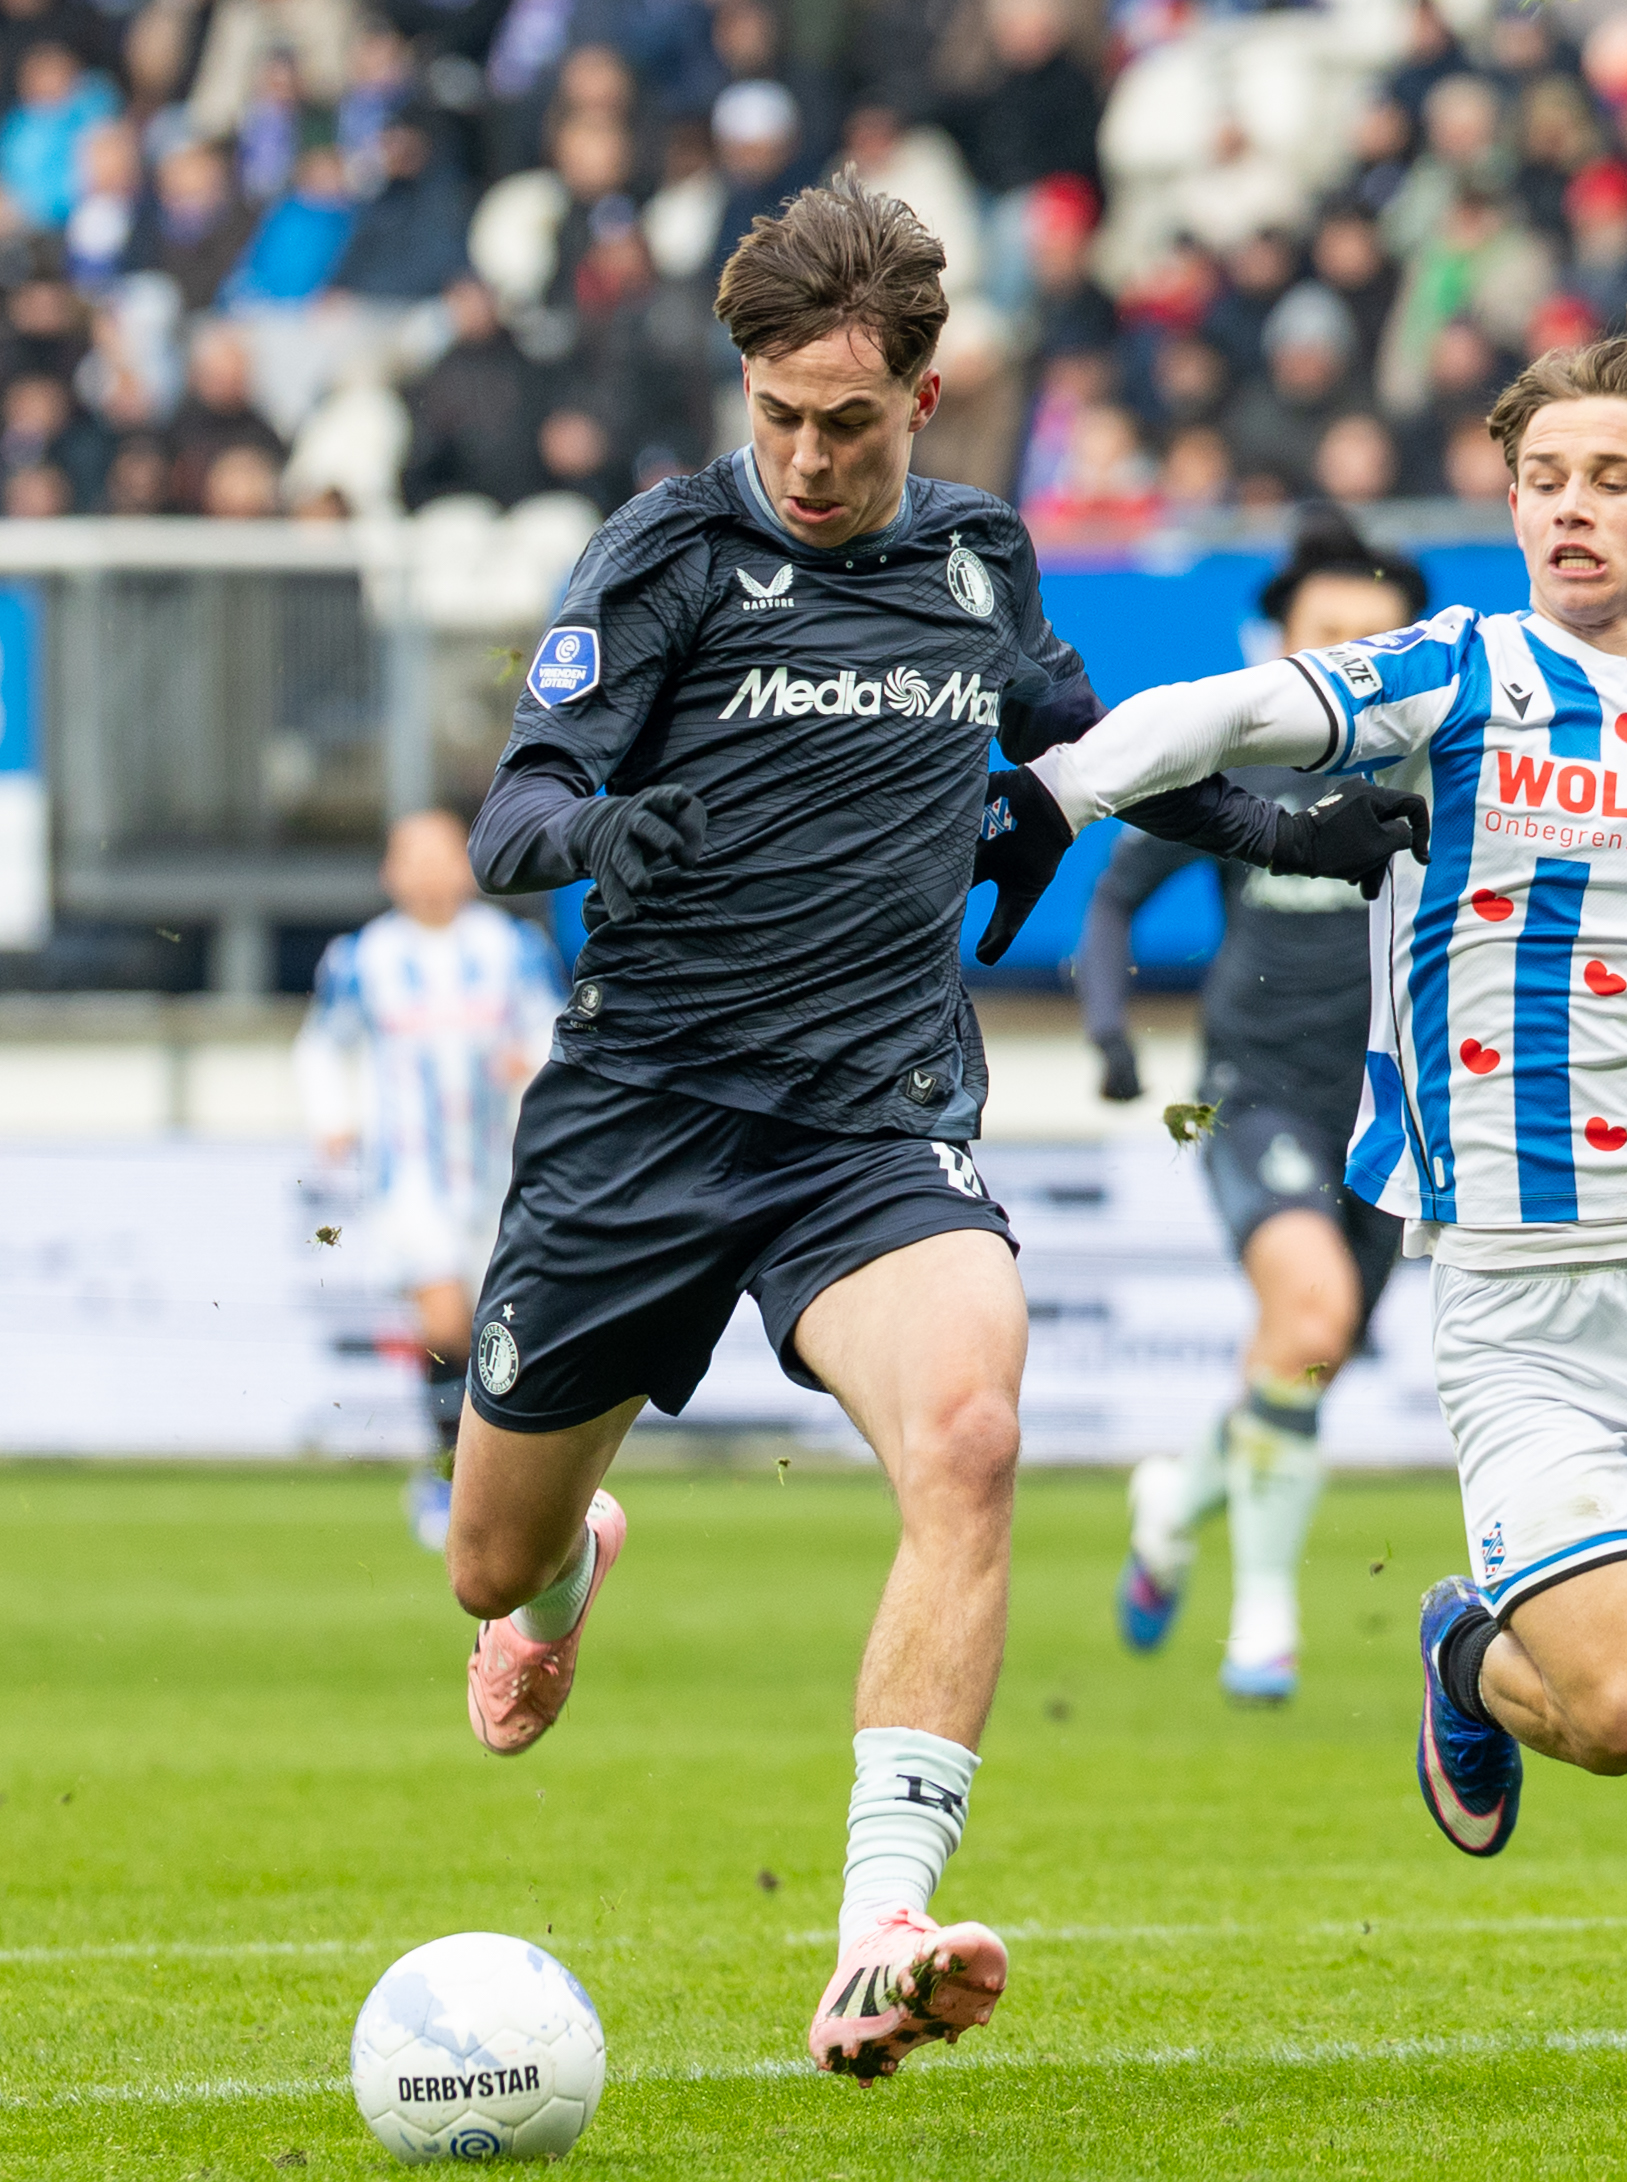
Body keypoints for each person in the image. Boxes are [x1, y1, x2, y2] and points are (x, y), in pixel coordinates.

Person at [445, 183, 1420, 2083]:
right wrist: (598, 834)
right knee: (489, 1557)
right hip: (639, 1125)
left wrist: (1295, 837)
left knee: (971, 1435)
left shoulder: (979, 561)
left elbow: (1088, 757)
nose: (807, 458)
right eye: (777, 415)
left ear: (927, 393)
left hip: (868, 1123)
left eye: (850, 421)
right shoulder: (662, 556)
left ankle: (877, 1929)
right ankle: (569, 1572)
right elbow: (515, 811)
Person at [1034, 330, 1627, 2099]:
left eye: (1610, 482)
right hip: (1519, 1303)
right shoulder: (1460, 671)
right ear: (1508, 507)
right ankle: (1465, 1639)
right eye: (1541, 483)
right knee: (1623, 1714)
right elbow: (1213, 720)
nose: (1569, 511)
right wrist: (1050, 792)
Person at [1088, 508, 1431, 1706]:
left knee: (1306, 1353)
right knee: (1313, 1306)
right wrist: (1110, 1035)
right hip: (1251, 1095)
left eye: (1370, 635)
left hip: (1391, 1113)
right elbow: (1116, 896)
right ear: (1281, 638)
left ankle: (1171, 1501)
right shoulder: (1236, 768)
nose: (1344, 651)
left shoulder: (1442, 772)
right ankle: (1265, 1622)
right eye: (1323, 630)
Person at [293, 808, 564, 1550]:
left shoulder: (514, 950)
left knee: (497, 1333)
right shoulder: (364, 957)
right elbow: (322, 1046)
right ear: (390, 873)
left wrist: (531, 1062)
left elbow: (560, 1032)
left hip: (502, 1172)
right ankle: (448, 1475)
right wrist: (332, 1118)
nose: (429, 873)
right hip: (410, 1177)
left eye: (443, 856)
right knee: (444, 1323)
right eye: (412, 858)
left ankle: (497, 1479)